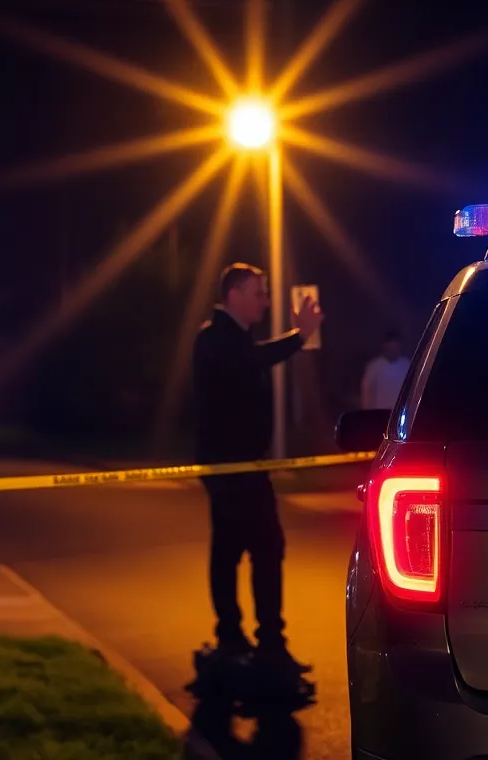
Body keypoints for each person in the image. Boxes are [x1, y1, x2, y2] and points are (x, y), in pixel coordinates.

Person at [191, 262, 324, 682]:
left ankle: (244, 639)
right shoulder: (214, 338)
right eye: (258, 292)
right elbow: (249, 362)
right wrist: (299, 337)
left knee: (234, 550)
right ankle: (257, 642)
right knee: (262, 548)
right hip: (233, 470)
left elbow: (250, 361)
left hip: (244, 467)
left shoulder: (234, 340)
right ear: (234, 295)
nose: (265, 301)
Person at [360, 329, 410, 410]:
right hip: (379, 413)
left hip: (399, 413)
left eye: (395, 348)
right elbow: (367, 392)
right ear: (384, 347)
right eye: (390, 348)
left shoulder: (406, 365)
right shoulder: (374, 367)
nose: (392, 351)